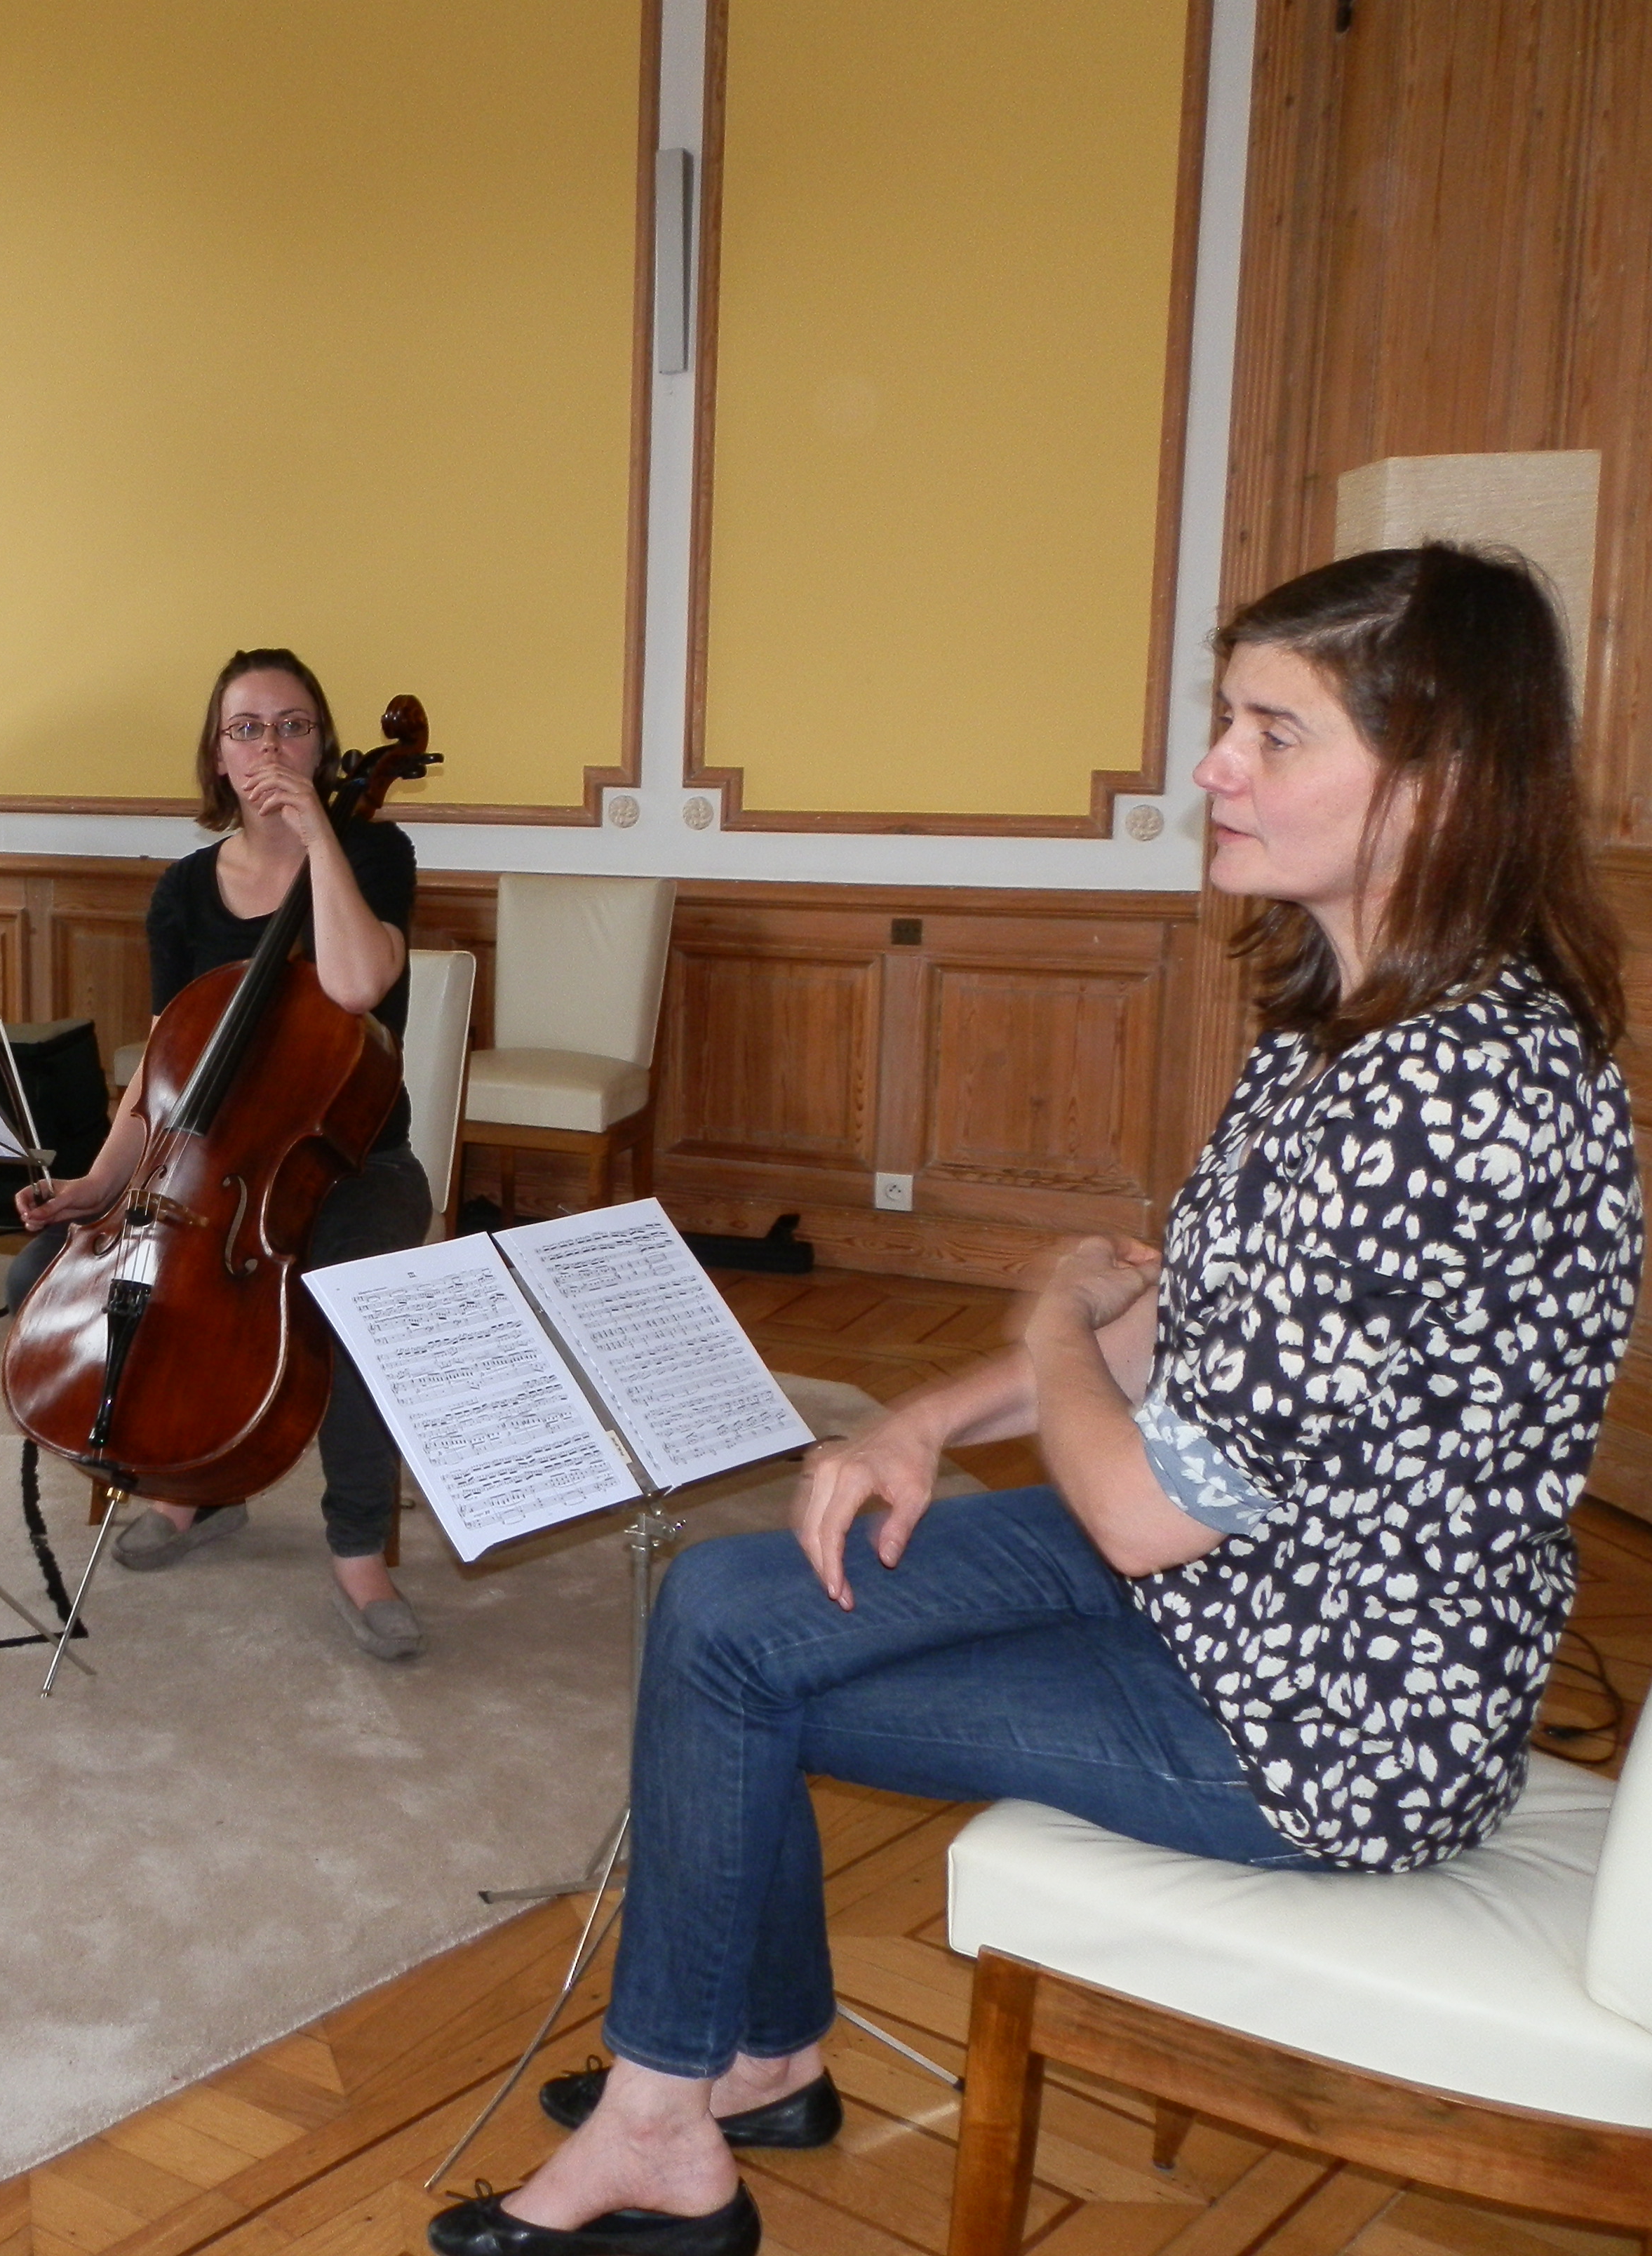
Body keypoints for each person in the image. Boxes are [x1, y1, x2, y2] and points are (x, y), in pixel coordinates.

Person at [431, 544, 1644, 2256]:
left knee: (737, 1673)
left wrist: (1046, 1316)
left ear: (1435, 784)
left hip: (1323, 1722)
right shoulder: (1350, 1025)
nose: (1211, 766)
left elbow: (1139, 1503)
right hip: (1235, 1584)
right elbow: (1178, 1330)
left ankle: (663, 2126)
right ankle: (755, 2058)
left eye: (1271, 733)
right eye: (1225, 720)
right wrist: (922, 1417)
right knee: (725, 1598)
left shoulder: (1448, 1092)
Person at [8, 649, 435, 1658]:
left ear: (323, 745)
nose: (270, 746)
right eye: (247, 727)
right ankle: (190, 1480)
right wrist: (97, 1182)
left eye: (293, 725)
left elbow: (358, 987)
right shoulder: (184, 891)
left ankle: (358, 1552)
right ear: (217, 754)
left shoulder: (375, 854)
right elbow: (163, 1068)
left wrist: (321, 834)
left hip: (353, 1163)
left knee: (348, 1299)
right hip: (205, 1167)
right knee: (44, 1279)